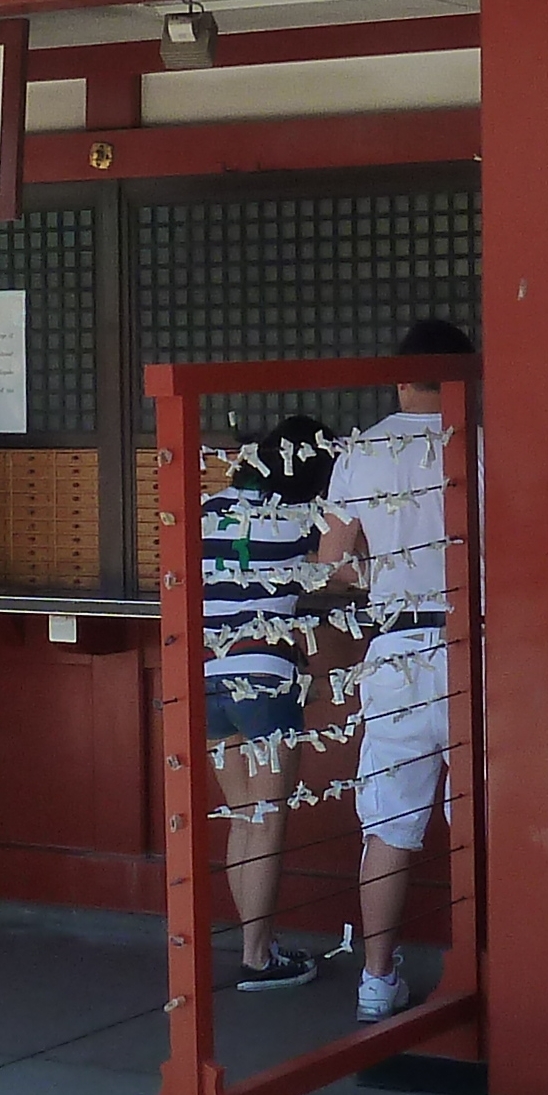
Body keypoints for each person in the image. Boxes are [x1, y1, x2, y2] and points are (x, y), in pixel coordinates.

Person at [315, 322, 474, 1025]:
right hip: (478, 646)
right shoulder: (484, 439)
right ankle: (489, 966)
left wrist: (377, 572)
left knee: (388, 827)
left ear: (399, 378)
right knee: (484, 823)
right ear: (461, 376)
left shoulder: (361, 448)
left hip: (397, 648)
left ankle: (377, 981)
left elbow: (333, 561)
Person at [203, 416, 341, 992]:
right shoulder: (301, 518)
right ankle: (258, 956)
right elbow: (340, 573)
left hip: (208, 676)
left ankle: (255, 946)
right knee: (269, 818)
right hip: (265, 674)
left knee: (242, 818)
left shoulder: (209, 509)